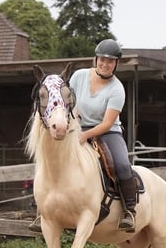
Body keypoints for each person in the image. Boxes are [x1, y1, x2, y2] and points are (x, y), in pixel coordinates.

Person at [29, 38, 137, 233]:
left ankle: (130, 210)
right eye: (102, 60)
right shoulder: (78, 76)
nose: (105, 64)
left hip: (107, 132)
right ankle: (42, 210)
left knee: (121, 164)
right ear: (96, 60)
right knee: (50, 159)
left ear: (116, 64)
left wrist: (85, 135)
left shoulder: (117, 89)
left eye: (110, 61)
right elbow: (66, 101)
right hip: (76, 128)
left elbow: (107, 122)